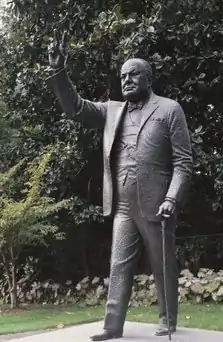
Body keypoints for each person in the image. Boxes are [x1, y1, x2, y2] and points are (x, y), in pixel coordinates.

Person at [47, 30, 193, 341]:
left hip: (157, 203)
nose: (126, 80)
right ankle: (112, 326)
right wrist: (59, 72)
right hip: (124, 204)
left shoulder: (169, 110)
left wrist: (172, 197)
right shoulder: (112, 111)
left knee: (161, 264)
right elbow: (76, 108)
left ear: (147, 78)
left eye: (133, 75)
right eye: (123, 76)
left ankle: (167, 319)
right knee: (118, 263)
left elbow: (183, 163)